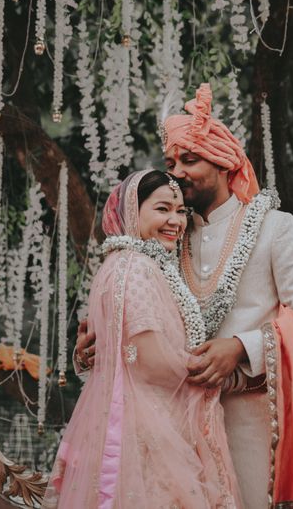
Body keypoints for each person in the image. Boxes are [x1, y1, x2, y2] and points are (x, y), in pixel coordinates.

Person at [76, 84, 293, 507]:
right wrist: (102, 340)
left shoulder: (275, 228)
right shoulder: (167, 234)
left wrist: (239, 348)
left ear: (225, 162)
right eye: (171, 163)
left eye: (190, 160)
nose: (177, 172)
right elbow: (139, 312)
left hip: (252, 420)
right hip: (174, 425)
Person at [45, 169, 241, 509]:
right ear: (133, 212)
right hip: (148, 432)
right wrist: (211, 370)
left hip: (138, 422)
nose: (175, 221)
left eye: (180, 211)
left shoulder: (125, 263)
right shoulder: (136, 267)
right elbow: (150, 357)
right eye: (162, 209)